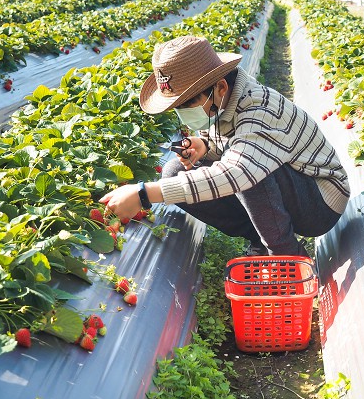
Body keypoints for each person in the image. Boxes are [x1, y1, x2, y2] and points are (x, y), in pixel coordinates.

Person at [99, 35, 350, 257]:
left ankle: (287, 257)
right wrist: (206, 144)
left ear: (220, 87)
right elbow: (232, 148)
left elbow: (238, 172)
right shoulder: (223, 101)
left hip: (320, 201)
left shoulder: (259, 109)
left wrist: (144, 194)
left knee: (246, 172)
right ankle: (261, 239)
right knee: (175, 172)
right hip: (286, 185)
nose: (185, 114)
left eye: (189, 105)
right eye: (178, 108)